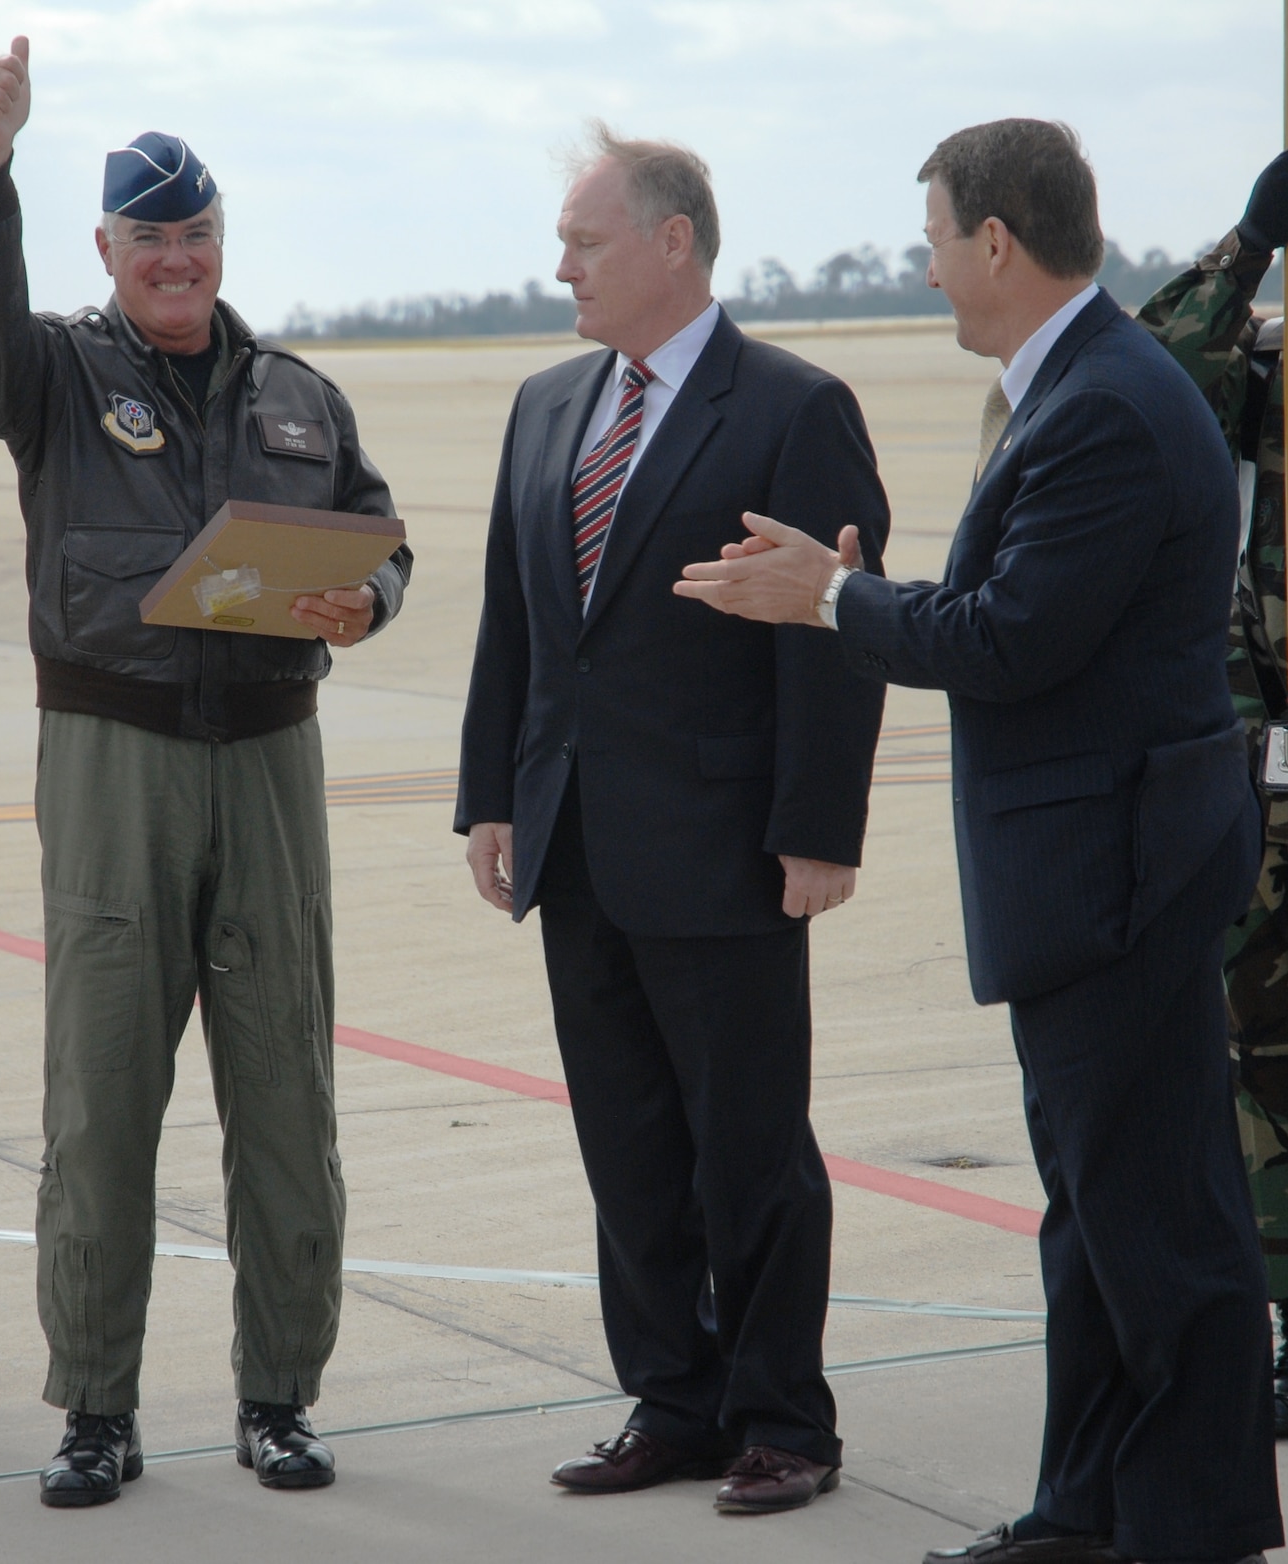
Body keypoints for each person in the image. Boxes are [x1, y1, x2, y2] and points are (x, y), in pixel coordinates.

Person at [676, 118, 1282, 1564]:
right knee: (1095, 1218)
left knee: (1154, 1225)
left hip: (1116, 870)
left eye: (937, 241)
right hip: (1102, 863)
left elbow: (1011, 638)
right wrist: (859, 595)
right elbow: (1028, 618)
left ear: (997, 243)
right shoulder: (1081, 384)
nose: (930, 269)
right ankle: (1085, 1514)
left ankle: (1190, 1532)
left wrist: (832, 601)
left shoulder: (1104, 408)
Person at [0, 37, 412, 1508]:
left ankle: (278, 1398)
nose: (177, 259)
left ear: (219, 244)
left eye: (196, 235)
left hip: (269, 764)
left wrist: (365, 601)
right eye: (151, 238)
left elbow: (381, 538)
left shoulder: (300, 395)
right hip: (113, 763)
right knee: (104, 1094)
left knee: (283, 1091)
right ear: (109, 249)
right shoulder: (60, 376)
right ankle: (97, 1410)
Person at [454, 124, 889, 1517]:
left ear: (673, 242)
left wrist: (820, 830)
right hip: (575, 841)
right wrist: (489, 798)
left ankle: (781, 1420)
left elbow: (829, 636)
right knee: (628, 1145)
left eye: (585, 240)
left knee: (749, 1144)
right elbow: (517, 624)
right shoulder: (545, 404)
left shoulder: (790, 407)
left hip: (722, 846)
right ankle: (675, 1398)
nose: (562, 263)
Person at [1137, 143, 1288, 1444]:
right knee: (1271, 1055)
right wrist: (1252, 241)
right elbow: (1154, 368)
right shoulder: (1264, 362)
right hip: (1277, 763)